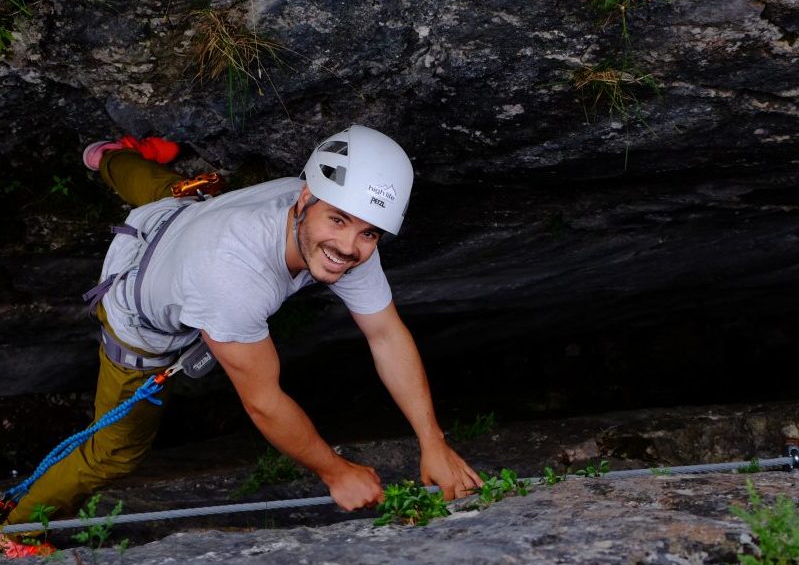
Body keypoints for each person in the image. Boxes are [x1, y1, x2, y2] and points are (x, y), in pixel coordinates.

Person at [4, 125, 482, 527]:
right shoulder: (231, 278)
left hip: (179, 219)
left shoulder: (338, 230)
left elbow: (386, 334)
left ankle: (111, 156)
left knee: (168, 192)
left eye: (368, 233)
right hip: (139, 315)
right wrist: (335, 472)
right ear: (305, 199)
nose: (349, 246)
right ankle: (14, 529)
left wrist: (432, 441)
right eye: (337, 220)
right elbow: (263, 402)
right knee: (113, 451)